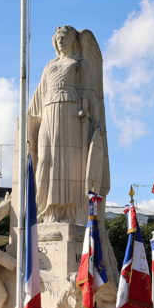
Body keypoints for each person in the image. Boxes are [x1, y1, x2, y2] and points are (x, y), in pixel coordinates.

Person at [26, 25, 108, 224]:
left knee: (69, 164)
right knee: (45, 159)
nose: (61, 40)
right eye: (58, 37)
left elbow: (92, 94)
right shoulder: (49, 65)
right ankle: (46, 209)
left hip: (71, 112)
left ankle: (69, 211)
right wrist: (25, 121)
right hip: (48, 111)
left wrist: (97, 121)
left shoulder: (80, 64)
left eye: (66, 36)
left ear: (73, 40)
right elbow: (38, 95)